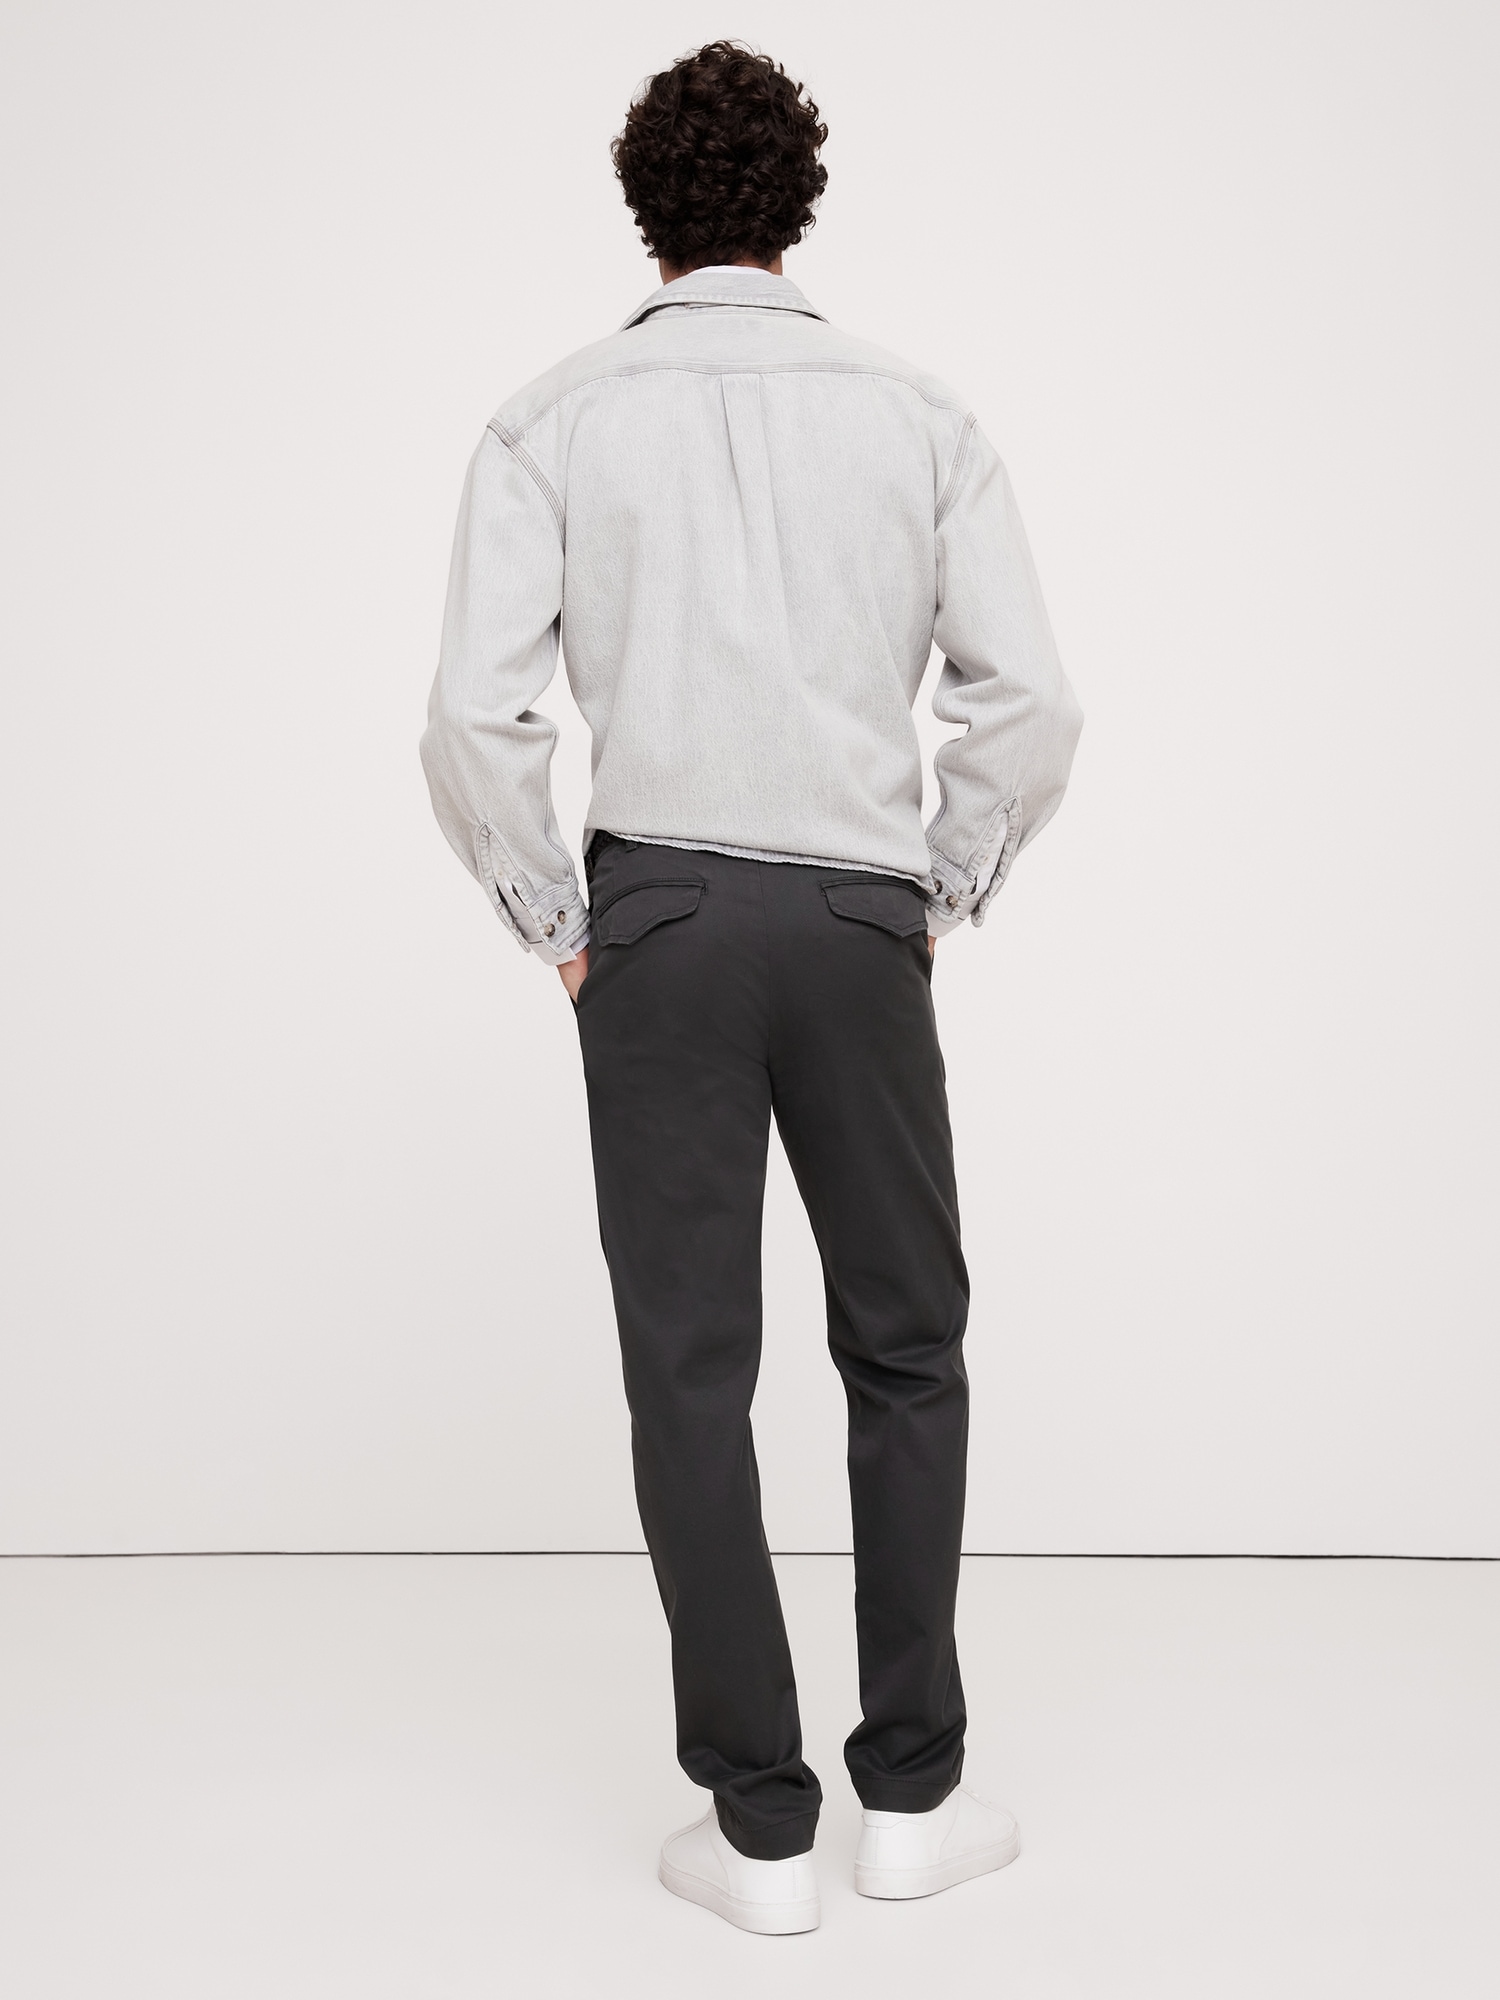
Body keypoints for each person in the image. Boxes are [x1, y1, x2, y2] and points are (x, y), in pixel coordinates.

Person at [421, 39, 1082, 1936]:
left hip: (663, 925)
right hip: (862, 918)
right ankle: (914, 1799)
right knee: (909, 1344)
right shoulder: (918, 417)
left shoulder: (550, 422)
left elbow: (471, 718)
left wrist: (559, 920)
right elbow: (1033, 704)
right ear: (801, 201)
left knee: (690, 1371)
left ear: (649, 208)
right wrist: (941, 885)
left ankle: (763, 1831)